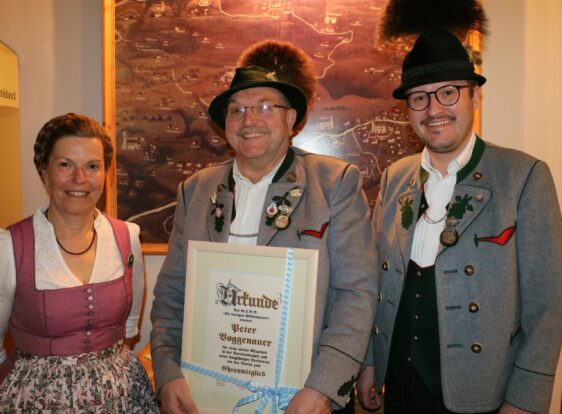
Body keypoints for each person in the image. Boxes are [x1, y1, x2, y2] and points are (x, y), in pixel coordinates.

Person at [150, 64, 377, 413]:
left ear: (291, 119)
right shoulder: (194, 190)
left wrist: (323, 389)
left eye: (265, 106)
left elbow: (356, 295)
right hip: (208, 397)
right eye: (236, 110)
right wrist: (167, 373)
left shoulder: (334, 183)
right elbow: (171, 294)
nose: (249, 119)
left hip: (305, 400)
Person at [357, 29, 562, 414]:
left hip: (485, 394)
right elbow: (375, 284)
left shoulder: (524, 176)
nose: (434, 109)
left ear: (475, 97)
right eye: (420, 97)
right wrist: (370, 362)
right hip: (399, 387)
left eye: (448, 92)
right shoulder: (394, 177)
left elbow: (549, 306)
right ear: (409, 110)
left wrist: (524, 401)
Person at [0, 113, 157, 412]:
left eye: (92, 166)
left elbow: (128, 328)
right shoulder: (9, 246)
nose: (80, 179)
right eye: (65, 165)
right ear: (44, 171)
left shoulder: (128, 237)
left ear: (106, 174)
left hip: (122, 398)